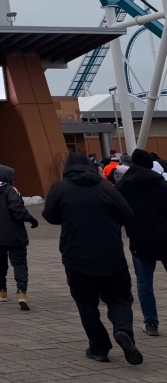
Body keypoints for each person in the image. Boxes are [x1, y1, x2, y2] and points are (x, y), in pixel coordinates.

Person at [43, 153, 142, 365]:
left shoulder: (60, 188)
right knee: (119, 298)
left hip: (76, 257)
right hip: (111, 255)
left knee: (86, 303)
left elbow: (49, 216)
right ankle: (123, 330)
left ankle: (99, 347)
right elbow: (128, 214)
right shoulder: (107, 188)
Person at [114, 149, 167, 337]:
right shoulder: (160, 183)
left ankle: (151, 323)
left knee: (144, 283)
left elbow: (117, 212)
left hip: (140, 240)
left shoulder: (123, 185)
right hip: (165, 237)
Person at [0, 164, 39, 309]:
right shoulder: (10, 190)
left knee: (0, 262)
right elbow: (17, 209)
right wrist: (30, 219)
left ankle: (2, 291)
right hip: (15, 235)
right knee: (19, 263)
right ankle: (21, 292)